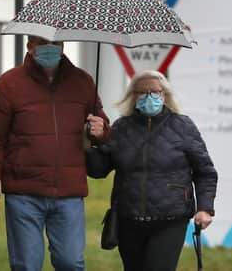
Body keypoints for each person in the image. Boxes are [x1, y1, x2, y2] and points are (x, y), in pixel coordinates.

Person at [0, 35, 110, 271]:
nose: (51, 49)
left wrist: (100, 130)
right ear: (30, 47)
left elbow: (103, 128)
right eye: (43, 44)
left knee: (70, 262)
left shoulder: (83, 82)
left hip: (69, 192)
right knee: (26, 265)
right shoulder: (10, 84)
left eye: (56, 44)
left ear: (63, 47)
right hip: (23, 192)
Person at [86, 70, 217, 271]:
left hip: (170, 219)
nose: (149, 97)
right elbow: (98, 170)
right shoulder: (121, 127)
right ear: (133, 96)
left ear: (164, 94)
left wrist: (205, 208)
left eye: (155, 92)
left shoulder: (183, 126)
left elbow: (205, 172)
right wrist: (91, 141)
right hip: (129, 220)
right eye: (141, 92)